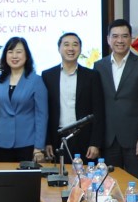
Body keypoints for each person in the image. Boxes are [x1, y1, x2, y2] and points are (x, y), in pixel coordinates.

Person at [94, 20, 138, 181]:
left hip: (135, 139)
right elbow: (97, 105)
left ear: (131, 38)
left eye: (124, 36)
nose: (120, 40)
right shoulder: (99, 66)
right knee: (109, 185)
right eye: (115, 36)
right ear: (108, 39)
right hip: (108, 139)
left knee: (136, 184)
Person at [41, 32, 104, 164]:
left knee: (84, 175)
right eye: (66, 44)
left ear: (80, 49)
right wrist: (47, 141)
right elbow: (44, 112)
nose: (71, 48)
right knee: (59, 175)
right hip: (57, 137)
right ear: (59, 49)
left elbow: (98, 111)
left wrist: (95, 143)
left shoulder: (92, 76)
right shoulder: (48, 76)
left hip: (84, 138)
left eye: (75, 45)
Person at [0, 37, 48, 164]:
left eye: (19, 52)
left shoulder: (36, 81)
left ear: (26, 56)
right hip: (2, 142)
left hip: (28, 142)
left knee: (26, 177)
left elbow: (41, 116)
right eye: (10, 51)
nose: (14, 56)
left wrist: (39, 147)